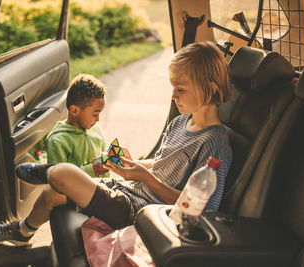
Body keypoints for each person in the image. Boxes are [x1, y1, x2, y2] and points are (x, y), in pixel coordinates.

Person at [15, 41, 233, 231]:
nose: (173, 95)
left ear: (210, 89)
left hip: (141, 212)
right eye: (173, 87)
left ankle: (46, 171)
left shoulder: (214, 143)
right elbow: (162, 165)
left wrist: (145, 178)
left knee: (63, 173)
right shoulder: (180, 122)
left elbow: (199, 209)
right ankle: (21, 233)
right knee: (50, 195)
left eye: (181, 89)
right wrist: (133, 165)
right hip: (128, 192)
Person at [0, 74, 110, 245]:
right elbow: (60, 181)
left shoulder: (95, 130)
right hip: (79, 194)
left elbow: (102, 150)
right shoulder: (58, 140)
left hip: (101, 188)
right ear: (74, 110)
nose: (98, 119)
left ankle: (22, 229)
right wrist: (92, 169)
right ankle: (23, 230)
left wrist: (110, 160)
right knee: (52, 185)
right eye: (95, 114)